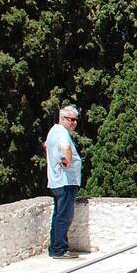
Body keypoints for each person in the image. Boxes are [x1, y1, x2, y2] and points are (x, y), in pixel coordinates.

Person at [45, 105, 83, 260]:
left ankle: (55, 247)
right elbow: (66, 147)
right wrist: (67, 161)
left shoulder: (53, 131)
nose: (74, 123)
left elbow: (46, 146)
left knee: (58, 214)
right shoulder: (62, 132)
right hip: (66, 181)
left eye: (76, 120)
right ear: (62, 118)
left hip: (56, 180)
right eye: (71, 119)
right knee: (64, 216)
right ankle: (59, 250)